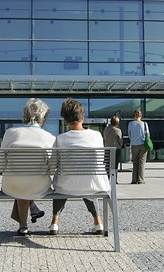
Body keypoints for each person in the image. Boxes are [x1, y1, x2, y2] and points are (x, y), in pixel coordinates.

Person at [48, 98, 110, 236]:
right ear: (82, 116)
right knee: (87, 179)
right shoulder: (96, 135)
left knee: (63, 183)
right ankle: (98, 222)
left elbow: (53, 164)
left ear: (65, 119)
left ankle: (54, 223)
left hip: (67, 185)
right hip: (94, 184)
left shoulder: (60, 138)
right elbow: (99, 160)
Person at [0, 98, 55, 235]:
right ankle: (32, 209)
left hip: (12, 184)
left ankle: (24, 225)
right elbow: (52, 169)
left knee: (20, 183)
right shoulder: (49, 137)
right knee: (28, 183)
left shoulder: (11, 133)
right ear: (43, 117)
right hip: (39, 186)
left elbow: (0, 166)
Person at [127, 109, 149, 184]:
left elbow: (129, 134)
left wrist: (133, 139)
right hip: (143, 144)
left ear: (133, 116)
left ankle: (134, 179)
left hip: (134, 144)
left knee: (135, 162)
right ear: (141, 116)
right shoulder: (144, 124)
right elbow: (148, 134)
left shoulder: (130, 124)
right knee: (142, 162)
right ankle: (140, 179)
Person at [103, 115, 123, 184]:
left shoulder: (106, 129)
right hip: (115, 149)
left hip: (107, 148)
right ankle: (114, 180)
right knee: (115, 165)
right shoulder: (118, 130)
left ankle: (107, 179)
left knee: (107, 165)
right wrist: (120, 146)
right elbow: (120, 140)